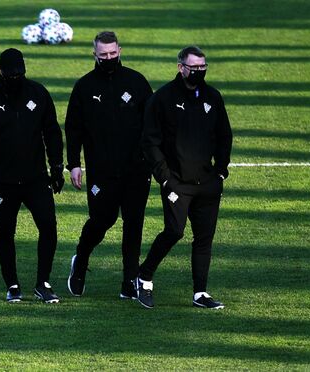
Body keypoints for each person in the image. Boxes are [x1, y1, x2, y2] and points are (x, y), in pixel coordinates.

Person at [136, 45, 233, 309]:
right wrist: (165, 177)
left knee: (204, 238)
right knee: (174, 231)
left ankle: (200, 293)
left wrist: (221, 170)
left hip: (208, 182)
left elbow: (225, 135)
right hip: (176, 181)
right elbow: (150, 141)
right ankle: (144, 276)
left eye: (203, 68)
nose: (198, 72)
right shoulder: (162, 99)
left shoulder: (213, 97)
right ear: (181, 68)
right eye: (194, 68)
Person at [0, 48, 65, 304]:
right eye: (10, 73)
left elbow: (52, 132)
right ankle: (12, 284)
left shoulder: (38, 94)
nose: (14, 77)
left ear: (25, 70)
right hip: (2, 182)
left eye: (19, 73)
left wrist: (56, 168)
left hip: (36, 179)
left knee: (48, 226)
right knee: (4, 233)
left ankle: (43, 282)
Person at [65, 31, 153, 299]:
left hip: (137, 169)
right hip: (102, 171)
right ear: (94, 54)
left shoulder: (137, 82)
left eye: (112, 53)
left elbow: (153, 124)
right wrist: (74, 164)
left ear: (120, 50)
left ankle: (129, 281)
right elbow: (73, 129)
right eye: (103, 55)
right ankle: (80, 260)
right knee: (103, 220)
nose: (108, 58)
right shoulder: (84, 87)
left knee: (134, 223)